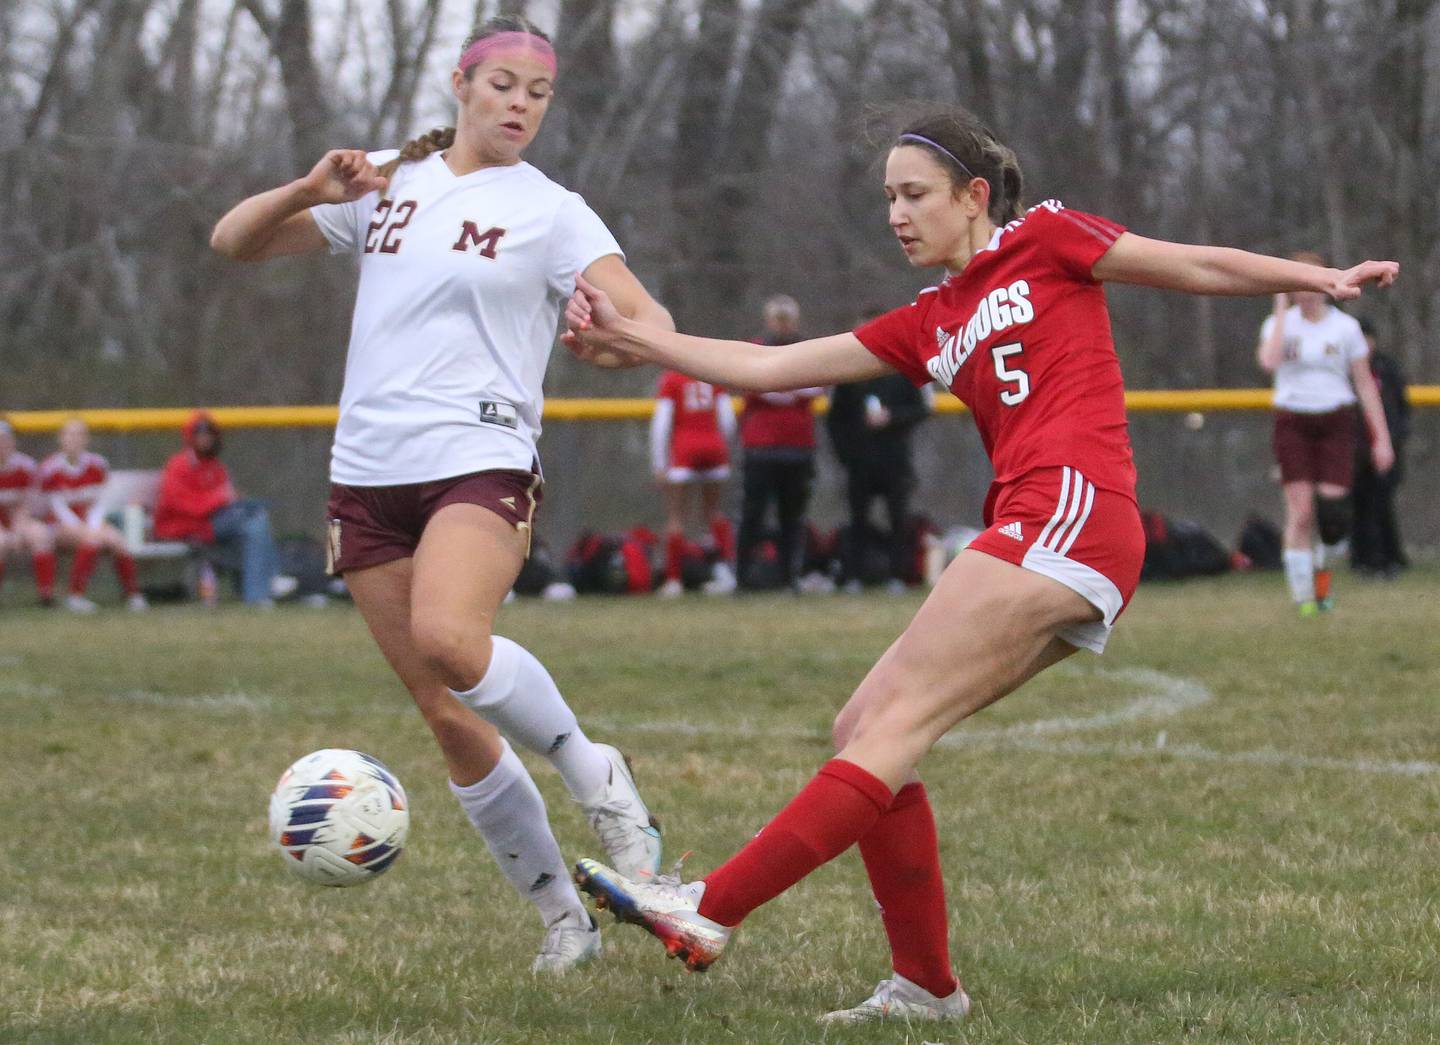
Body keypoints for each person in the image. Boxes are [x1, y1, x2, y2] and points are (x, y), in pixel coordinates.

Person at [561, 105, 1398, 1023]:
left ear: (974, 196)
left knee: (892, 724)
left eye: (915, 194)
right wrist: (641, 342)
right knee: (866, 726)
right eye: (888, 197)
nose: (897, 213)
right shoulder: (930, 318)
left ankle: (710, 907)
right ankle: (926, 985)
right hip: (1038, 528)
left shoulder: (1045, 238)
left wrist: (1316, 276)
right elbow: (774, 368)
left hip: (1071, 516)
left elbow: (1190, 262)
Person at [209, 16, 669, 972]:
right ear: (461, 85)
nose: (520, 106)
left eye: (537, 94)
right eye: (503, 85)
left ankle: (598, 774)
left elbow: (649, 314)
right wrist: (307, 186)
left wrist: (611, 324)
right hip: (365, 479)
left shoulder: (552, 209)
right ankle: (561, 919)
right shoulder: (387, 177)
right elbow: (233, 241)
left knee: (452, 640)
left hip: (481, 454)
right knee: (447, 710)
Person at [1257, 254, 1394, 616]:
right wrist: (1280, 306)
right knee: (1300, 513)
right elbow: (1269, 363)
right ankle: (1304, 599)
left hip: (1336, 420)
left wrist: (1382, 438)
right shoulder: (1278, 324)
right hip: (1293, 420)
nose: (1306, 294)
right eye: (1297, 285)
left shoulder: (1344, 328)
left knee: (1333, 518)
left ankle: (1322, 587)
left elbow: (1364, 384)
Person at [825, 313, 934, 593]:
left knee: (898, 517)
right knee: (857, 518)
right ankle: (854, 576)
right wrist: (845, 455)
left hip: (894, 457)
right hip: (859, 459)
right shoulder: (848, 373)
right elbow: (835, 418)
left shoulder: (902, 366)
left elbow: (921, 408)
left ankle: (898, 575)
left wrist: (893, 417)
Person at [152, 411, 298, 605]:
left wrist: (233, 501)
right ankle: (264, 587)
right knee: (253, 522)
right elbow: (181, 505)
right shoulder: (179, 465)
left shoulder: (214, 466)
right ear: (190, 437)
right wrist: (220, 498)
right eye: (200, 434)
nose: (205, 439)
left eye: (209, 434)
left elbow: (220, 500)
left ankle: (261, 590)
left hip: (210, 523)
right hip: (185, 526)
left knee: (256, 519)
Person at [735, 296, 825, 592]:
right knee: (752, 514)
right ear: (769, 320)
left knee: (793, 516)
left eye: (788, 319)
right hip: (761, 448)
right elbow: (751, 384)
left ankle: (790, 576)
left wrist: (776, 384)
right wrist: (790, 386)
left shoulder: (808, 350)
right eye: (778, 319)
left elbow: (818, 384)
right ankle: (743, 576)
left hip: (797, 448)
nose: (783, 325)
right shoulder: (756, 349)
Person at [34, 418, 146, 612]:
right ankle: (75, 596)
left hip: (90, 522)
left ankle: (133, 594)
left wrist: (93, 523)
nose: (74, 440)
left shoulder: (97, 465)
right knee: (91, 539)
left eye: (80, 435)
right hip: (58, 525)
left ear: (87, 439)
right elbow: (56, 506)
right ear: (60, 439)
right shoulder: (50, 468)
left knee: (117, 540)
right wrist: (81, 527)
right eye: (70, 435)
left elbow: (101, 500)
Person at [649, 370, 737, 596]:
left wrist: (659, 463)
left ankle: (674, 580)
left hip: (684, 448)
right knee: (713, 514)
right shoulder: (714, 375)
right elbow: (728, 419)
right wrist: (721, 446)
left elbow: (661, 423)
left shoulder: (671, 378)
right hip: (714, 445)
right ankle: (724, 572)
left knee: (676, 516)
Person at [1349, 317, 1409, 576]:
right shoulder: (1345, 370)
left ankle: (1388, 557)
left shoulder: (1386, 368)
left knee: (1381, 506)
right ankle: (1362, 558)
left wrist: (1393, 440)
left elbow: (1401, 409)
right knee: (1359, 507)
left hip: (1384, 447)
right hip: (1356, 451)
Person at [0, 418, 42, 600]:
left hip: (19, 520)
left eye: (5, 439)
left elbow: (28, 503)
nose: (2, 445)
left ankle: (46, 595)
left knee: (41, 535)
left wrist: (17, 528)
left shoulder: (26, 466)